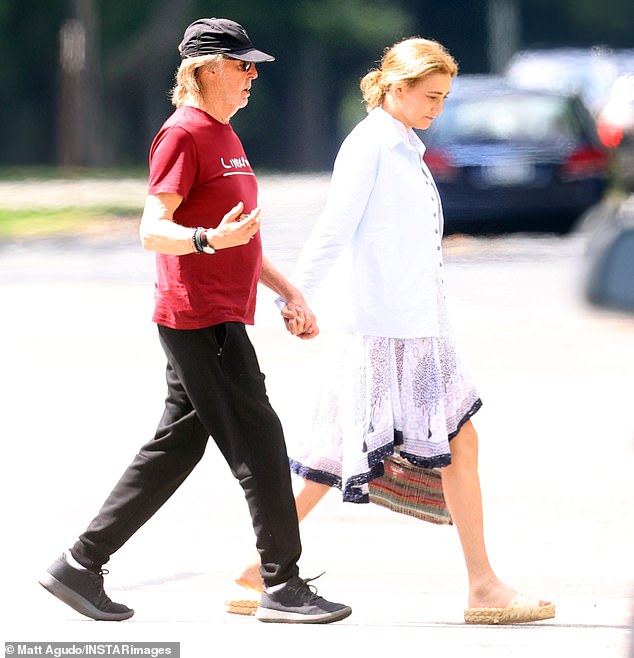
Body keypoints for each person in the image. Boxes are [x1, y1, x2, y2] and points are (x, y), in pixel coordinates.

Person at [229, 36, 555, 625]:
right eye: (430, 96)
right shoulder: (371, 145)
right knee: (386, 446)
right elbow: (334, 227)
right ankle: (482, 585)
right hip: (383, 332)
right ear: (396, 88)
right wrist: (295, 296)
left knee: (374, 447)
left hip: (418, 328)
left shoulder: (404, 144)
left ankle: (259, 569)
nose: (439, 108)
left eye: (445, 97)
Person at [38, 17, 351, 625]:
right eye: (242, 65)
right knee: (260, 440)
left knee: (175, 447)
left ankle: (79, 565)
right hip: (198, 317)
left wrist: (289, 292)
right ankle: (282, 584)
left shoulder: (224, 135)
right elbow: (153, 230)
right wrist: (208, 240)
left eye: (253, 65)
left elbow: (244, 239)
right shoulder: (183, 134)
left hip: (220, 312)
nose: (252, 74)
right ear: (207, 68)